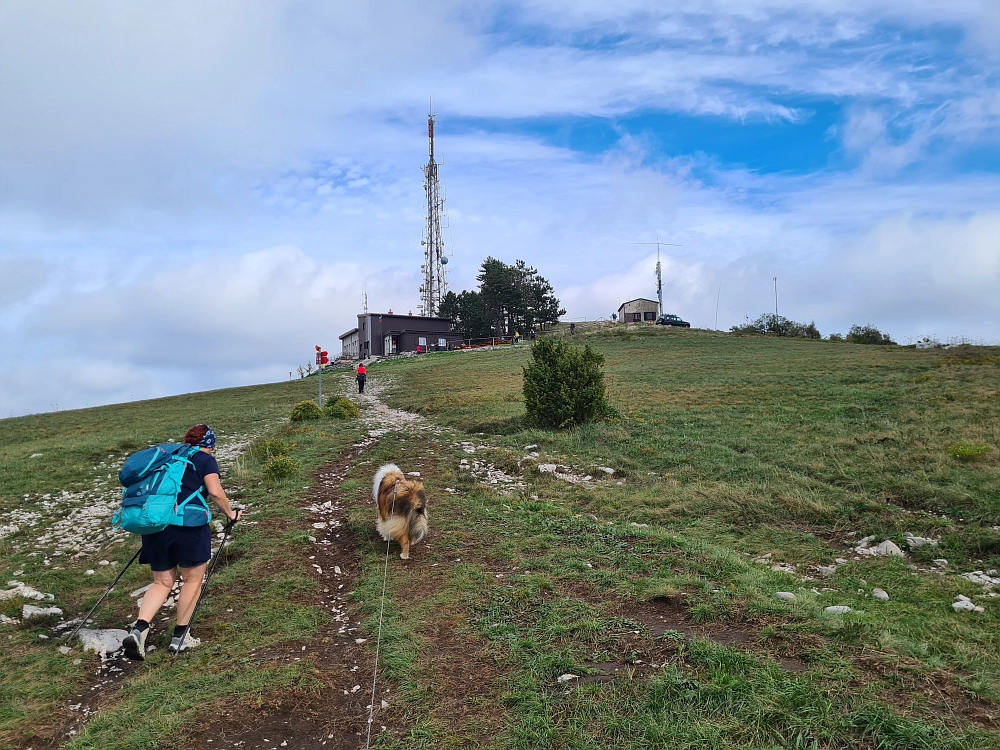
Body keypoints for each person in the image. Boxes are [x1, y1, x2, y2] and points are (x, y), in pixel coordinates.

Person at [121, 425, 241, 660]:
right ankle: (180, 637)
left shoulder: (167, 457)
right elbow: (215, 492)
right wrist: (230, 514)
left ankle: (139, 630)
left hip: (156, 525)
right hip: (189, 527)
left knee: (162, 582)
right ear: (210, 445)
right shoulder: (204, 460)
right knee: (192, 580)